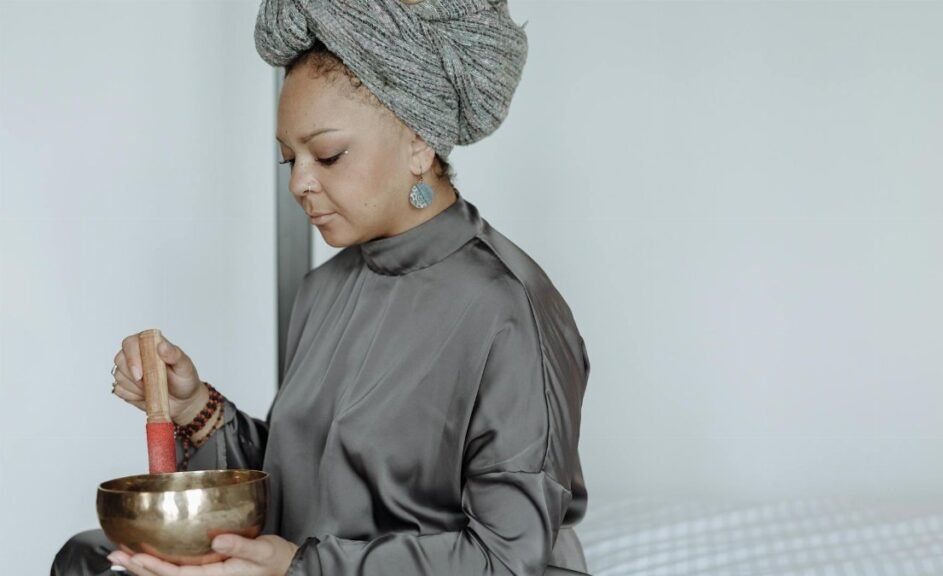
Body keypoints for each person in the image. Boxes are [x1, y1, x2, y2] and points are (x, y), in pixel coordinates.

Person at [51, 1, 590, 574]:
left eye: (328, 155)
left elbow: (508, 559)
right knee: (91, 558)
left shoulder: (508, 308)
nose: (301, 184)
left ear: (419, 142)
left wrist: (300, 568)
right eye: (289, 160)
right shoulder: (324, 289)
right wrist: (194, 408)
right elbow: (307, 488)